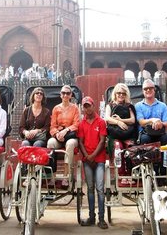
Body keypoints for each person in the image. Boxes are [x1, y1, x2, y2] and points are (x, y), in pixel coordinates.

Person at [78, 96, 108, 229]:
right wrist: (87, 156)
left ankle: (101, 218)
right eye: (85, 106)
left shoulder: (101, 122)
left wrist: (93, 156)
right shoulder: (81, 123)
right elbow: (80, 142)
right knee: (90, 189)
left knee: (100, 189)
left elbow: (102, 141)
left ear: (93, 106)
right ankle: (92, 217)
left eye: (89, 105)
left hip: (99, 159)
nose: (87, 108)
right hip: (87, 160)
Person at [47, 85, 80, 187]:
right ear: (60, 95)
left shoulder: (75, 108)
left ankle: (66, 176)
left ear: (71, 95)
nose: (65, 95)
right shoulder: (56, 108)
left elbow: (77, 124)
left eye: (68, 93)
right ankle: (52, 175)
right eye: (63, 93)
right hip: (59, 136)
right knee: (50, 143)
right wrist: (57, 134)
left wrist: (66, 130)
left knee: (70, 144)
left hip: (70, 136)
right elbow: (52, 126)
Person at [105, 83, 136, 178]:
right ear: (115, 94)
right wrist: (118, 123)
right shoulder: (110, 105)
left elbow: (132, 120)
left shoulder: (129, 106)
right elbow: (107, 118)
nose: (121, 95)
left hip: (128, 134)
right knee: (118, 147)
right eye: (119, 93)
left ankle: (130, 174)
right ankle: (121, 175)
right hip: (115, 135)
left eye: (123, 93)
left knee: (130, 147)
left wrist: (121, 120)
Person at [135, 79, 167, 145]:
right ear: (143, 91)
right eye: (146, 89)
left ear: (154, 90)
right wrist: (153, 120)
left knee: (166, 138)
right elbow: (141, 122)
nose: (148, 90)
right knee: (145, 139)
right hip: (145, 134)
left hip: (160, 133)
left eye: (150, 88)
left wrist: (159, 123)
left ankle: (164, 155)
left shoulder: (163, 105)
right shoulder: (138, 106)